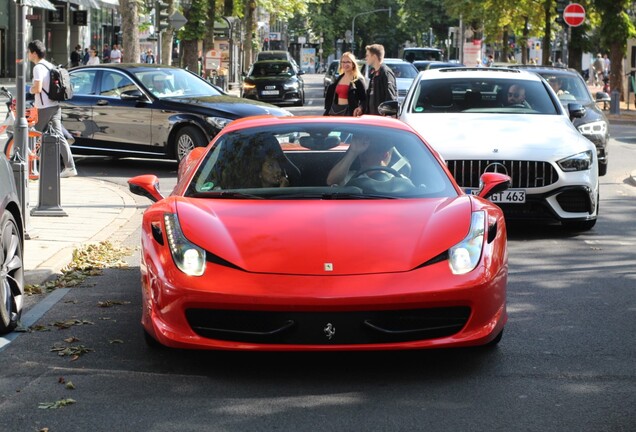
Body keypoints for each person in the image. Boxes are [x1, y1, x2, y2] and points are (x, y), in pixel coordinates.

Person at [27, 40, 77, 178]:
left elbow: (37, 88)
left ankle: (28, 168)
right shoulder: (49, 65)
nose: (27, 54)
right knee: (59, 136)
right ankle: (70, 167)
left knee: (32, 134)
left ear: (34, 53)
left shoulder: (38, 68)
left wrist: (30, 90)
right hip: (55, 105)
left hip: (43, 108)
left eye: (28, 52)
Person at [326, 133, 393, 186]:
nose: (363, 155)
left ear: (384, 156)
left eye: (369, 151)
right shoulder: (351, 177)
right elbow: (331, 181)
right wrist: (353, 152)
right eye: (362, 151)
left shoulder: (394, 180)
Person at [353, 44, 397, 116]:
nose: (366, 58)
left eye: (367, 55)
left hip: (381, 119)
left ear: (374, 56)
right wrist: (361, 107)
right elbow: (368, 95)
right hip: (371, 116)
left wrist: (387, 114)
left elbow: (390, 97)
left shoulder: (386, 73)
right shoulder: (373, 73)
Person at [324, 52, 366, 116]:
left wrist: (360, 108)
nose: (345, 64)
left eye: (348, 62)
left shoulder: (358, 80)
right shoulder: (339, 78)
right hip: (335, 112)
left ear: (353, 64)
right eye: (343, 62)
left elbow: (364, 99)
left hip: (350, 113)